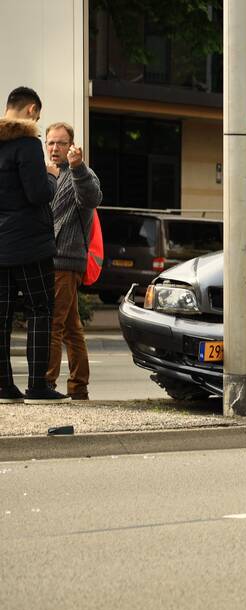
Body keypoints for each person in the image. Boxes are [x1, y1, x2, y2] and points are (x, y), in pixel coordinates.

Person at [0, 87, 67, 404]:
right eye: (38, 115)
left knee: (2, 316)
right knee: (40, 311)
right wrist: (51, 175)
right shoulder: (26, 144)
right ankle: (38, 387)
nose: (38, 120)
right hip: (29, 243)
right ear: (30, 110)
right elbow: (38, 194)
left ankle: (3, 387)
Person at [44, 122, 102, 400]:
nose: (55, 148)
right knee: (70, 328)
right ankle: (79, 387)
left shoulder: (81, 173)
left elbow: (92, 197)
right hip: (49, 260)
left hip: (64, 261)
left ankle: (45, 384)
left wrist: (78, 167)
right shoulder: (48, 175)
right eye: (51, 143)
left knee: (52, 324)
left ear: (71, 146)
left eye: (61, 143)